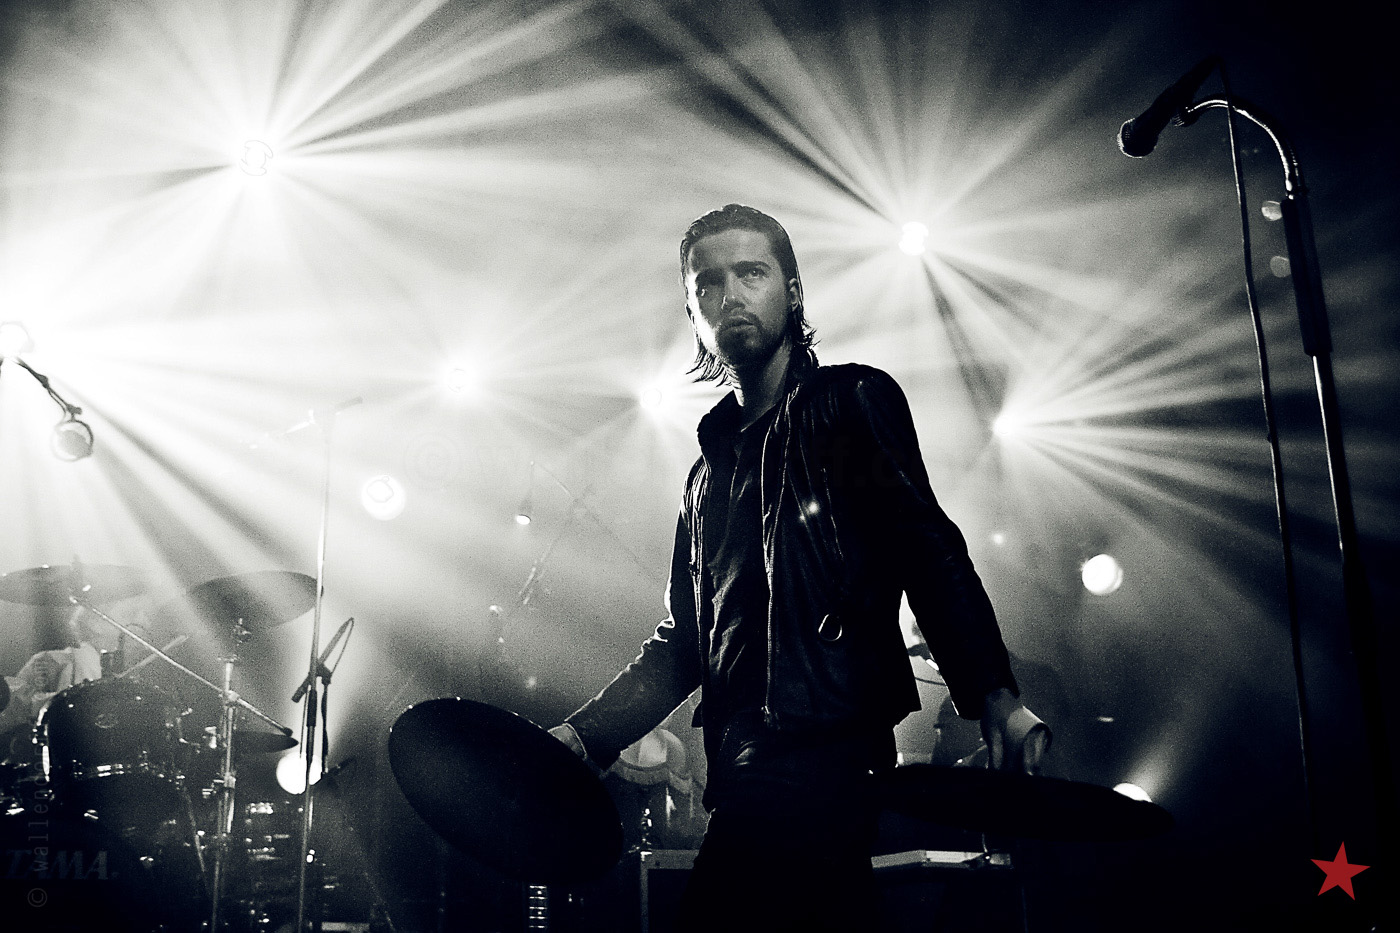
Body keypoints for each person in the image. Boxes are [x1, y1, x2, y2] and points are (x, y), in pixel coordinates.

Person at [549, 204, 1048, 931]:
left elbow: (927, 548)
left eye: (751, 273)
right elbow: (684, 644)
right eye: (708, 283)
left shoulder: (849, 403)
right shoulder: (705, 477)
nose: (731, 295)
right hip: (740, 770)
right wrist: (584, 736)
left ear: (792, 290)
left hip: (828, 750)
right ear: (692, 312)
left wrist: (993, 693)